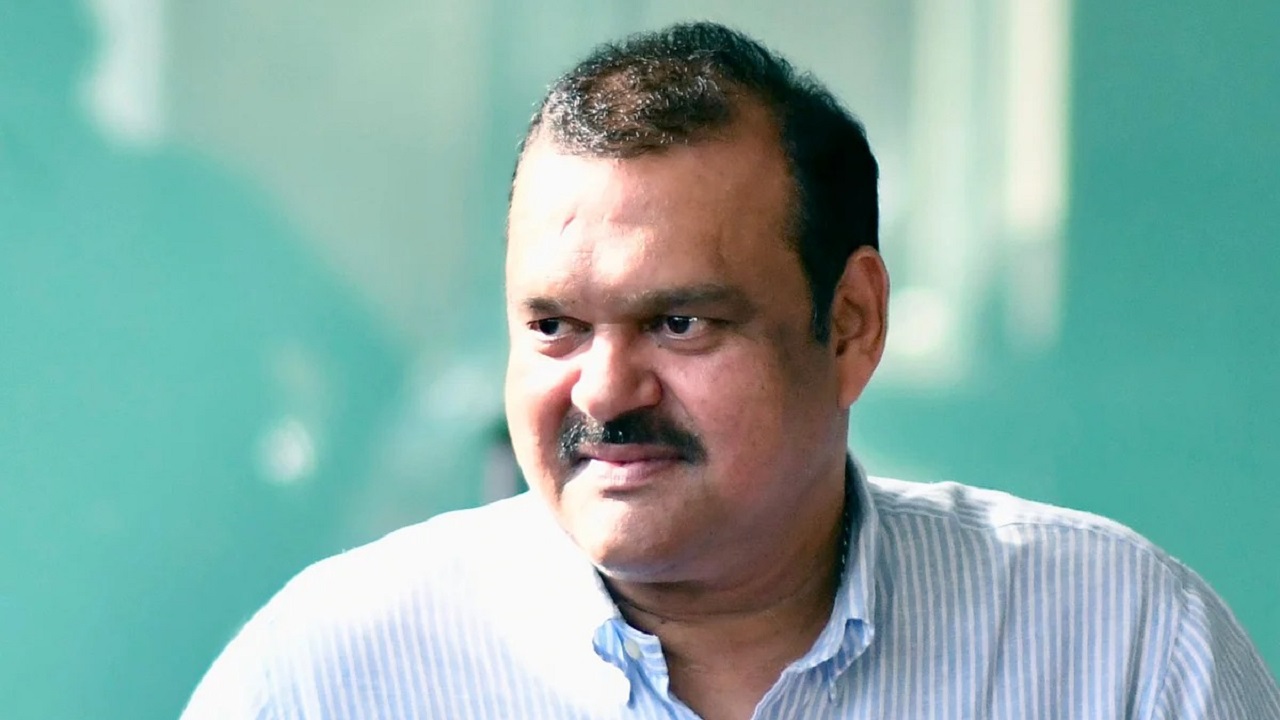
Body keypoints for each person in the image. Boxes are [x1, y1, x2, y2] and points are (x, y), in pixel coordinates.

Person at [181, 21, 1279, 719]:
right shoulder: (331, 676)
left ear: (849, 324)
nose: (603, 393)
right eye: (554, 327)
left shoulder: (1118, 648)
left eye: (679, 323)